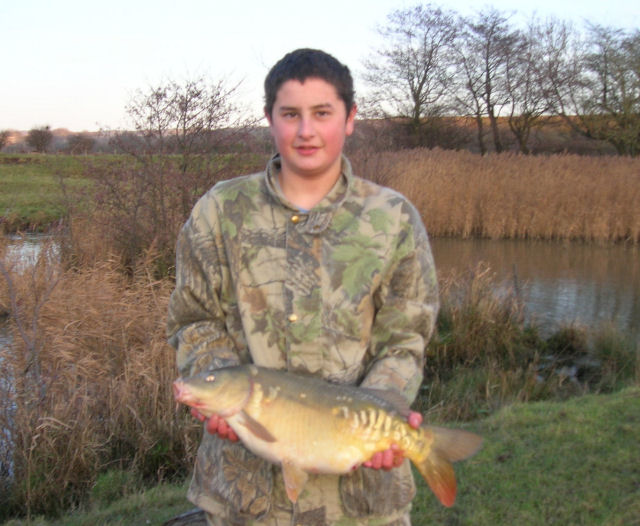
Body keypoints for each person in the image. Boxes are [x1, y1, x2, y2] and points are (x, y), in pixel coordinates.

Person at [167, 48, 439, 526]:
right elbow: (194, 319)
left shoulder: (393, 218)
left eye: (322, 113)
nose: (305, 131)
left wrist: (377, 415)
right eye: (290, 114)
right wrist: (219, 391)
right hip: (242, 496)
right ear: (269, 118)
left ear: (350, 118)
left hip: (363, 501)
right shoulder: (218, 211)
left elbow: (405, 337)